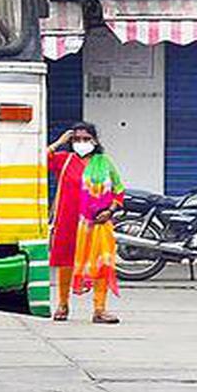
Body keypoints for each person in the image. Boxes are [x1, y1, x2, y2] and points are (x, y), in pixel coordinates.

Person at [48, 122, 124, 324]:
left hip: (97, 222)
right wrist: (59, 142)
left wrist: (110, 211)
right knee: (65, 262)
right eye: (76, 139)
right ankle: (62, 305)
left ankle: (100, 309)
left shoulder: (104, 163)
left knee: (101, 262)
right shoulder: (64, 160)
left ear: (95, 141)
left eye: (85, 139)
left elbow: (119, 190)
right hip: (68, 220)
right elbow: (39, 159)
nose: (81, 143)